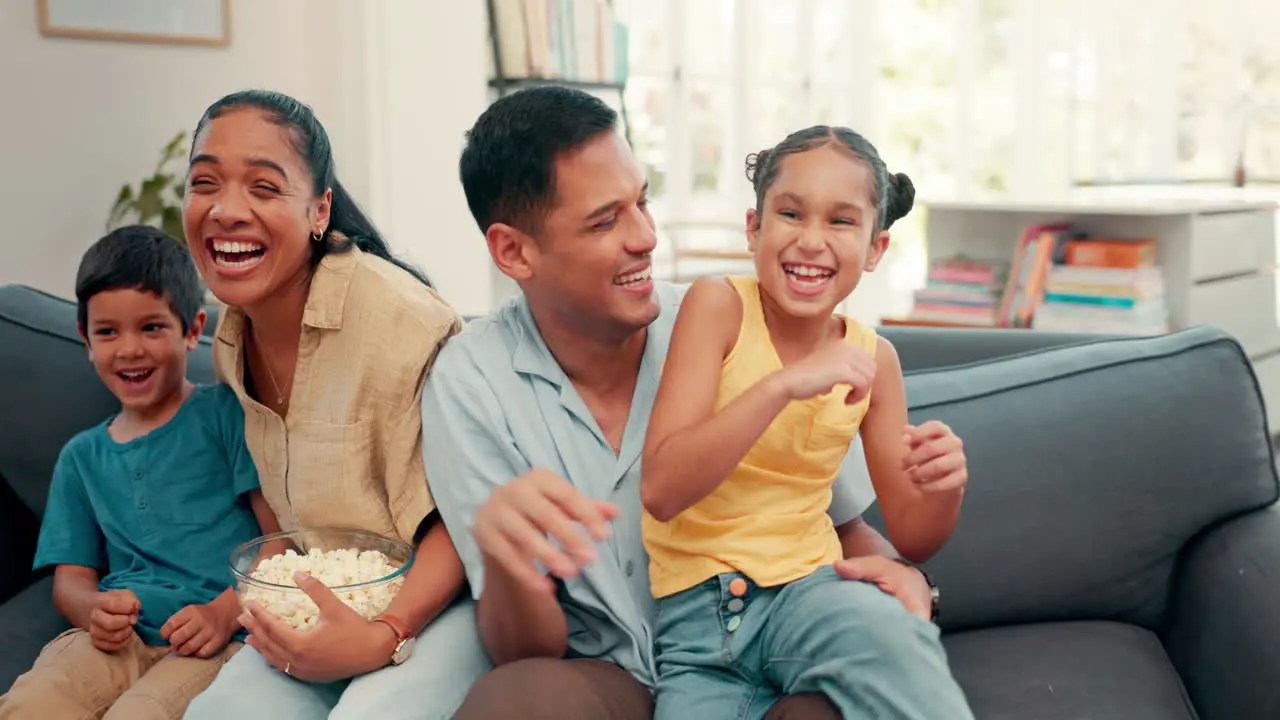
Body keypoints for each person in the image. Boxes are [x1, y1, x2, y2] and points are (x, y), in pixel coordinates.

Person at [421, 85, 970, 719]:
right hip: (618, 673)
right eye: (606, 220)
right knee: (514, 699)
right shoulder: (471, 383)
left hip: (783, 634)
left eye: (643, 202)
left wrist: (913, 586)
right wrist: (507, 560)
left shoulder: (739, 320)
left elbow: (839, 523)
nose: (646, 237)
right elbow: (525, 649)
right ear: (515, 250)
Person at [639, 126, 972, 719]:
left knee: (894, 641)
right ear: (754, 228)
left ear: (875, 250)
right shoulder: (717, 307)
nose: (811, 240)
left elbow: (914, 536)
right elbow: (663, 489)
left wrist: (944, 490)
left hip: (813, 594)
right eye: (790, 213)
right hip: (697, 631)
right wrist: (785, 384)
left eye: (841, 222)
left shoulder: (876, 360)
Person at [179, 90, 490, 720]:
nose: (226, 209)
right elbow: (288, 516)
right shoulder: (230, 339)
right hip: (323, 598)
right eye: (205, 182)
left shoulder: (404, 322)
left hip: (443, 605)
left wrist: (382, 635)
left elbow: (465, 521)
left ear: (320, 210)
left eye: (264, 187)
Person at [0, 226, 270, 719]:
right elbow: (72, 583)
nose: (130, 349)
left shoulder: (226, 416)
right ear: (86, 339)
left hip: (214, 637)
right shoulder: (81, 458)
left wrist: (224, 612)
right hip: (114, 641)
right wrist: (93, 612)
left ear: (192, 330)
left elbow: (280, 544)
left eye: (151, 327)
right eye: (108, 332)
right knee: (30, 704)